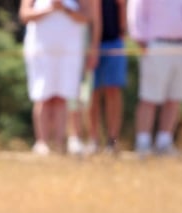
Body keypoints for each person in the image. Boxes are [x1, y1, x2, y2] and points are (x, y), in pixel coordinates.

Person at [20, 0, 93, 155]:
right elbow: (25, 15)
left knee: (61, 97)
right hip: (41, 50)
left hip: (68, 50)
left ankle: (60, 145)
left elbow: (87, 16)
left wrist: (65, 9)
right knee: (43, 97)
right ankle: (42, 143)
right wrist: (50, 9)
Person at [127, 0, 182, 158]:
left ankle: (164, 142)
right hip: (156, 45)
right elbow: (136, 10)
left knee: (174, 97)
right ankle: (143, 143)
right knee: (149, 97)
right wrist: (140, 40)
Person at [88, 0, 126, 155]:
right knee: (91, 94)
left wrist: (123, 33)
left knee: (113, 91)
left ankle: (113, 141)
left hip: (114, 41)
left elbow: (122, 7)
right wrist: (93, 47)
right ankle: (93, 140)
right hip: (88, 43)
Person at [66, 0, 100, 156]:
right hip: (64, 44)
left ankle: (88, 138)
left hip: (83, 42)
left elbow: (95, 19)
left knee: (84, 95)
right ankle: (74, 137)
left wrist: (93, 48)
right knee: (70, 93)